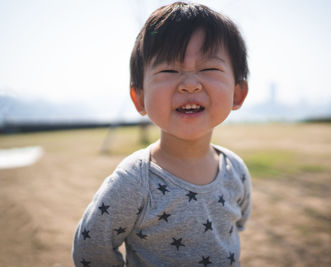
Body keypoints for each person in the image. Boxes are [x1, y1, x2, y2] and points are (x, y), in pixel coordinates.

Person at [72, 2, 251, 266]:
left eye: (209, 69)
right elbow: (91, 248)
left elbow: (237, 227)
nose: (190, 84)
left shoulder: (234, 169)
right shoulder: (134, 181)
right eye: (169, 70)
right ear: (139, 97)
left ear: (238, 93)